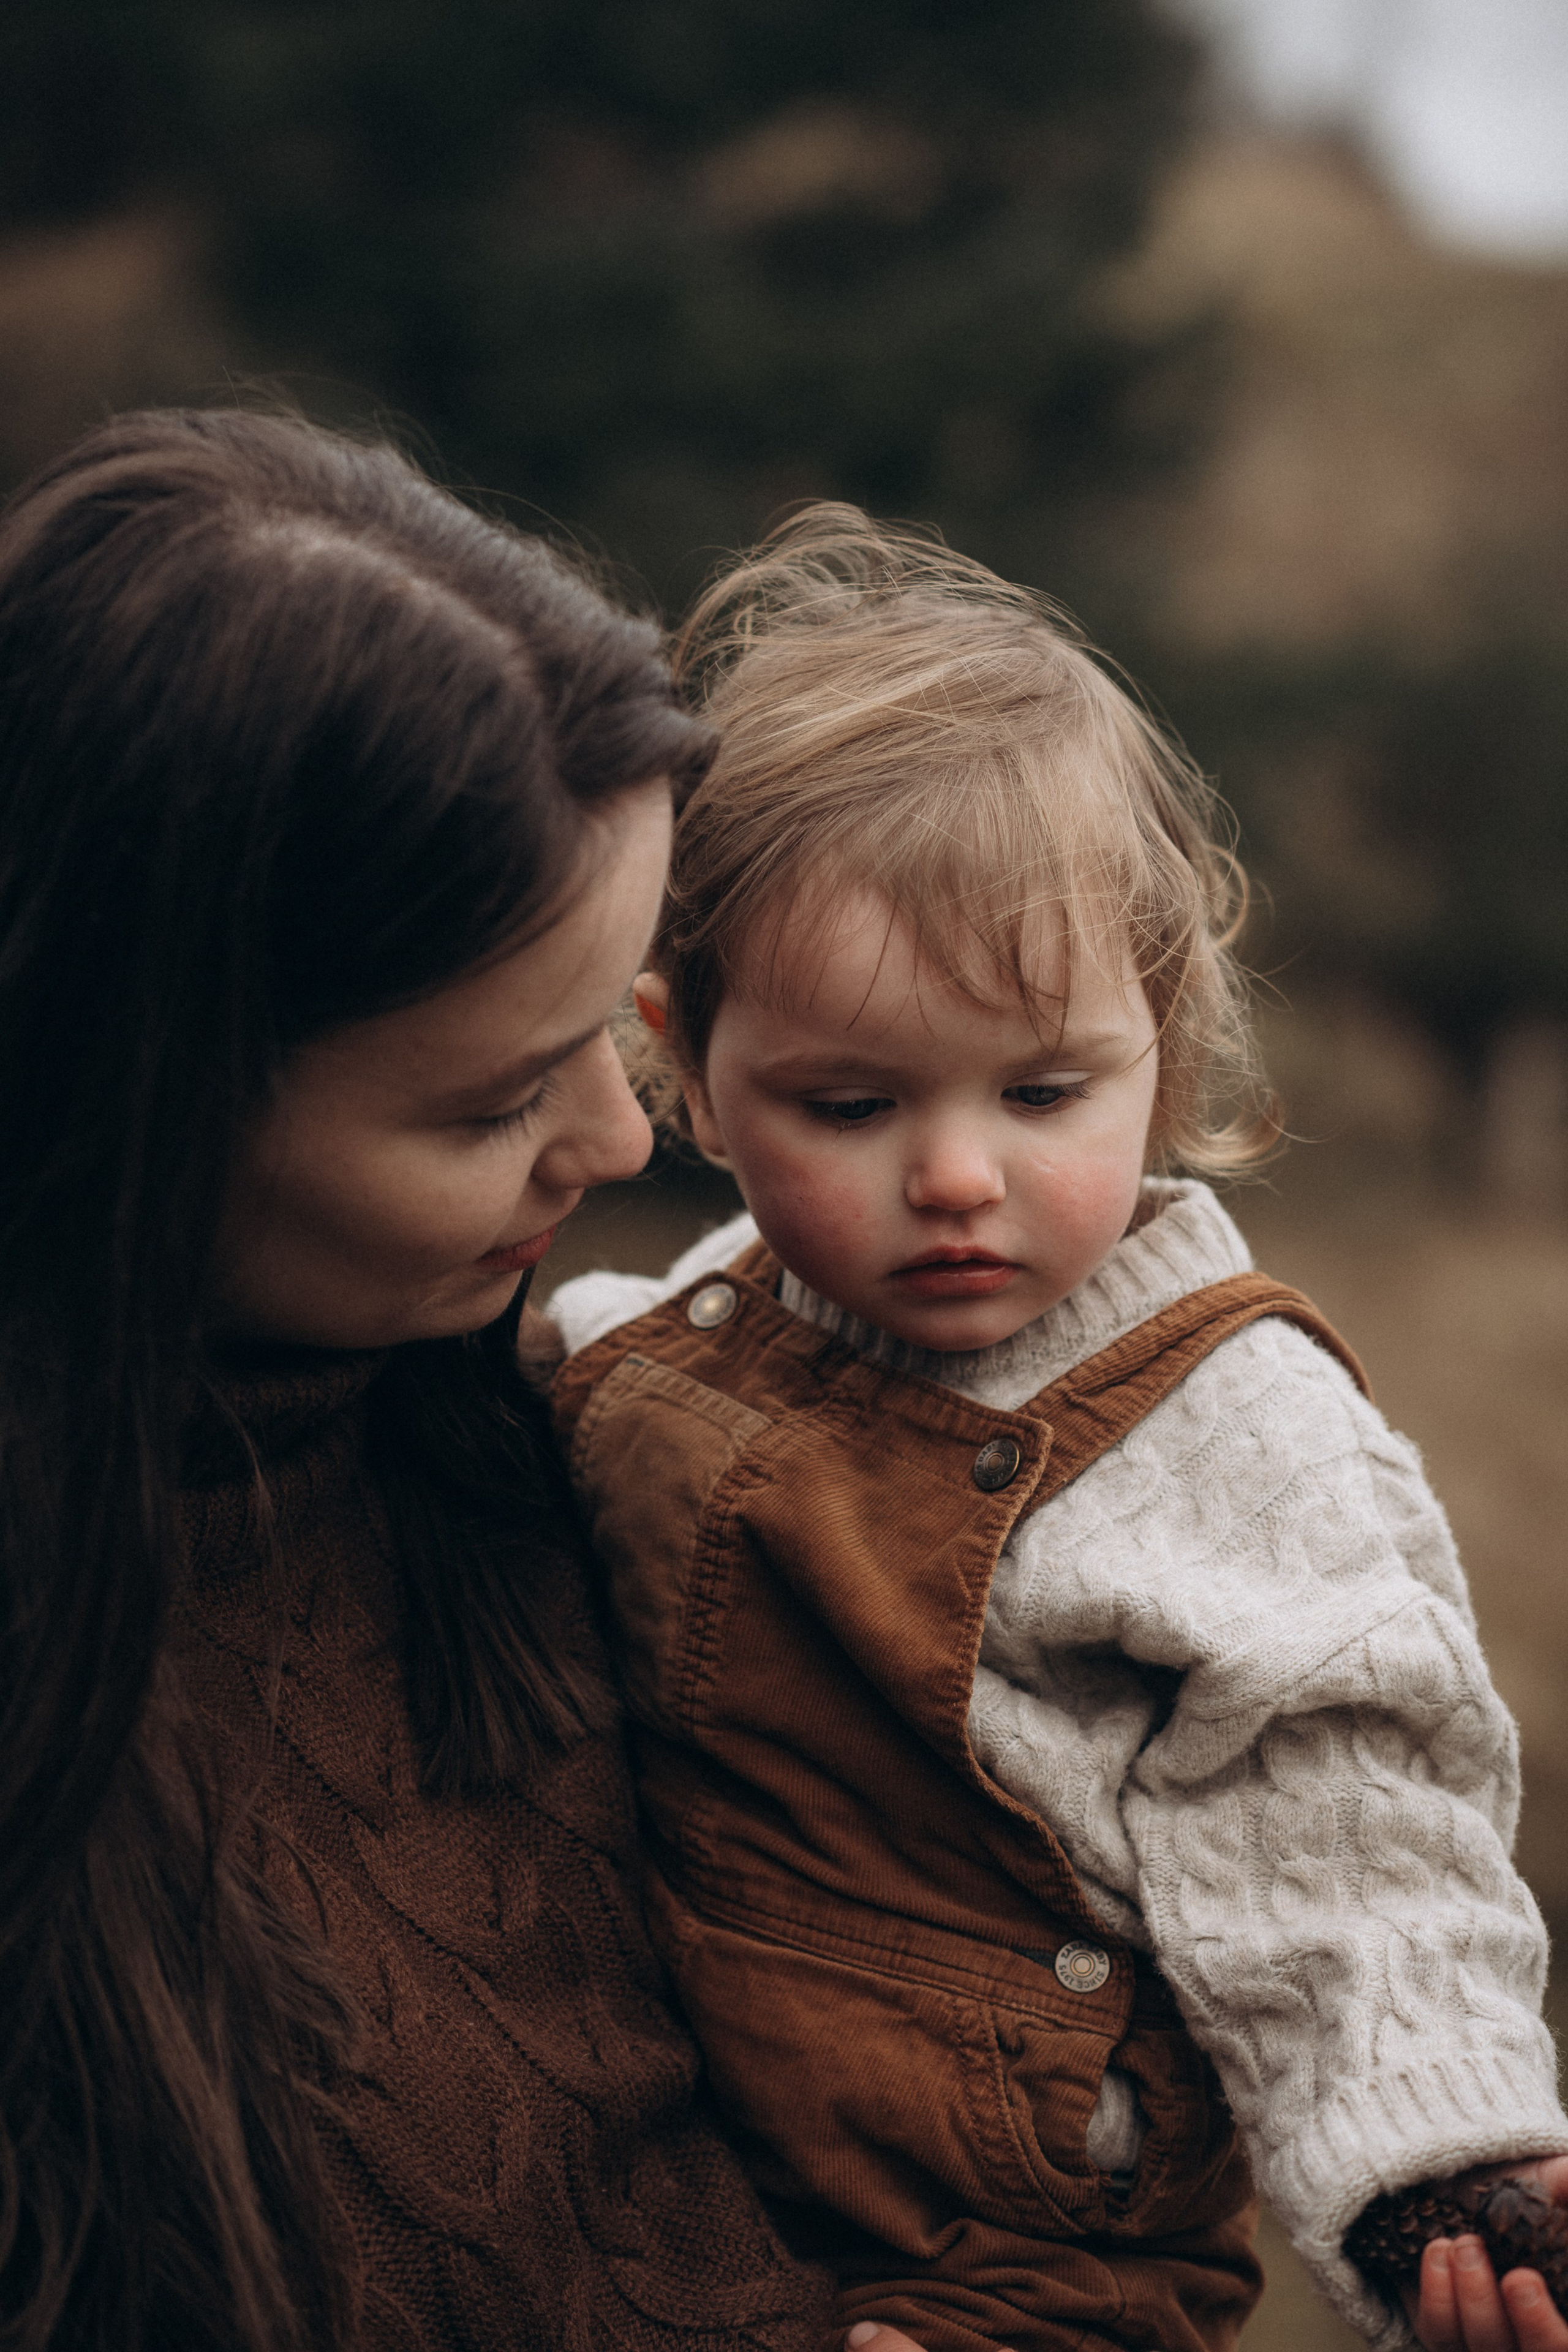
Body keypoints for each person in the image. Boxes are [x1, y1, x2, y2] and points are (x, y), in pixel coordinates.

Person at [545, 507, 1568, 2352]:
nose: (953, 1178)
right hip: (688, 2157)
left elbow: (1348, 1828)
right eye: (848, 1103)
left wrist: (1449, 2179)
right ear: (682, 1060)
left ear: (1159, 1045)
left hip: (1023, 2258)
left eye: (1041, 1089)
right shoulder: (691, 1329)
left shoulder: (1233, 1437)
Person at [0, 410, 940, 2352]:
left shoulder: (594, 1455)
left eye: (612, 1033)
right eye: (497, 1097)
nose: (613, 1139)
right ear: (134, 1111)